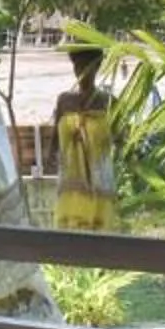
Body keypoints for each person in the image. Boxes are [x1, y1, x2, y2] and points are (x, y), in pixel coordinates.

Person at [52, 45, 118, 232]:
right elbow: (54, 144)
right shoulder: (64, 101)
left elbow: (122, 139)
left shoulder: (109, 102)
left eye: (86, 66)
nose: (81, 71)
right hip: (71, 186)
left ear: (97, 68)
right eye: (77, 66)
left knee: (100, 240)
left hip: (100, 185)